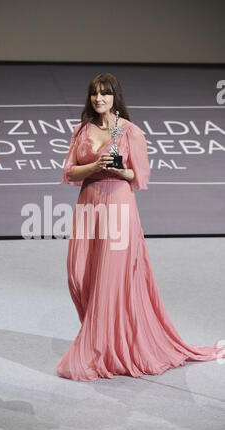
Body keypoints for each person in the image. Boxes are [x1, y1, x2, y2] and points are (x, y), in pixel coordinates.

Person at [56, 72, 225, 381]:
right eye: (94, 94)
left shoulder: (130, 131)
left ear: (114, 97)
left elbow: (140, 177)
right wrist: (94, 166)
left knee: (110, 280)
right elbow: (70, 171)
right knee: (79, 275)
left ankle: (102, 349)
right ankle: (103, 338)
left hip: (119, 206)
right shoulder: (82, 130)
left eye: (105, 93)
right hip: (89, 207)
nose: (99, 99)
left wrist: (120, 171)